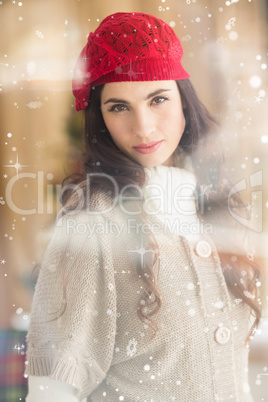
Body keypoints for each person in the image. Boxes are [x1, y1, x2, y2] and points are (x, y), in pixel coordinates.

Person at [25, 12, 262, 402]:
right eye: (118, 107)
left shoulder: (217, 206)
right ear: (99, 119)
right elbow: (53, 391)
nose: (144, 127)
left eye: (158, 99)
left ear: (184, 100)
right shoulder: (94, 226)